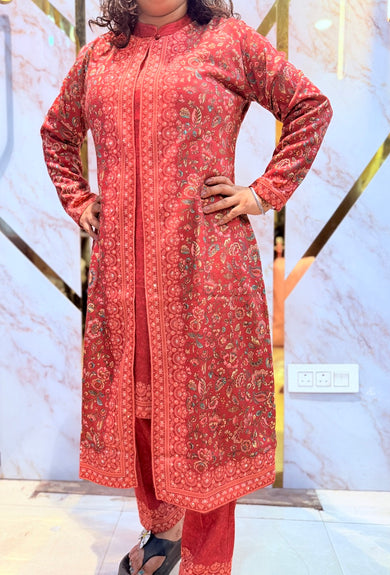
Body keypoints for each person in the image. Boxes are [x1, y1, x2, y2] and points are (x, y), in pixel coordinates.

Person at [41, 1, 332, 573]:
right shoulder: (100, 56)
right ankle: (162, 532)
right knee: (142, 407)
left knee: (206, 417)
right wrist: (79, 199)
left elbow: (309, 106)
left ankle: (208, 561)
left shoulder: (227, 40)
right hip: (124, 276)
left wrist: (262, 193)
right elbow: (57, 133)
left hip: (206, 267)